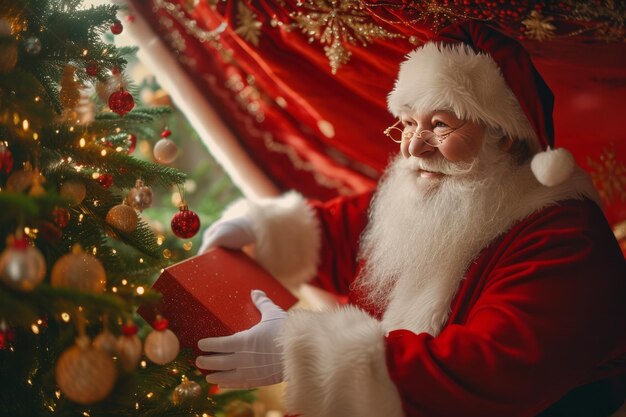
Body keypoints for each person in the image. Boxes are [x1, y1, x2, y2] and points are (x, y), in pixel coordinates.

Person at [194, 21, 626, 417]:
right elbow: (349, 232)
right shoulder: (446, 190)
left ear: (505, 135)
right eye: (405, 124)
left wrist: (305, 352)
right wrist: (262, 229)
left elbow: (491, 370)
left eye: (439, 125)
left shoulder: (565, 240)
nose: (413, 147)